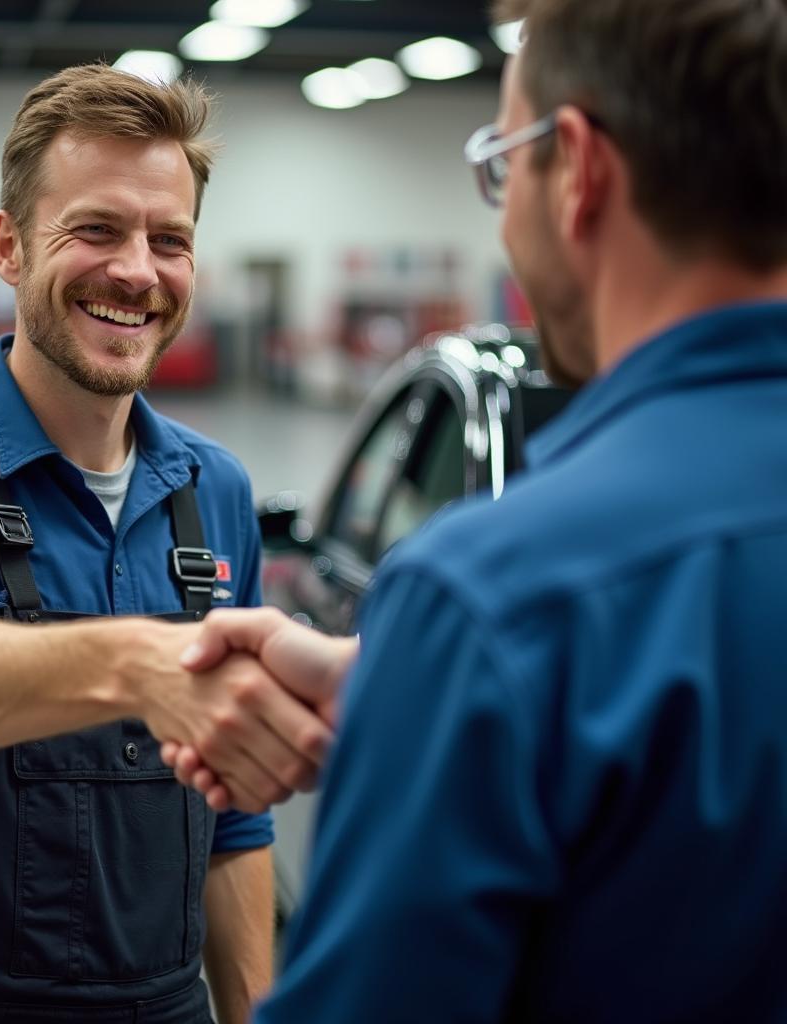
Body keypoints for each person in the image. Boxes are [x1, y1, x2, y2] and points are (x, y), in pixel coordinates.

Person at [166, 0, 787, 1019]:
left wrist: (464, 670)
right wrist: (407, 686)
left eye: (503, 162)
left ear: (578, 171)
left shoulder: (496, 596)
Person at [0, 64, 332, 1024]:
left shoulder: (212, 491)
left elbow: (234, 822)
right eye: (95, 229)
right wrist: (141, 662)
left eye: (168, 239)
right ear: (9, 247)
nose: (137, 270)